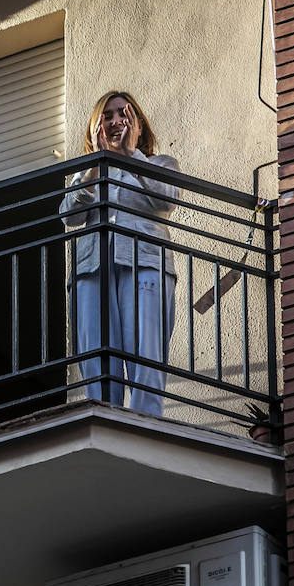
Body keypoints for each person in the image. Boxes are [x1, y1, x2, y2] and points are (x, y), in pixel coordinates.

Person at [60, 92, 180, 416]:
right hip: (92, 269)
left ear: (138, 125)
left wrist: (131, 157)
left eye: (123, 115)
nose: (116, 122)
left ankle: (146, 419)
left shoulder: (159, 164)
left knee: (145, 350)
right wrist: (93, 170)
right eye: (108, 116)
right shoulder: (85, 173)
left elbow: (168, 199)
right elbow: (67, 216)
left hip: (145, 263)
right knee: (98, 355)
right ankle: (103, 417)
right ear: (95, 127)